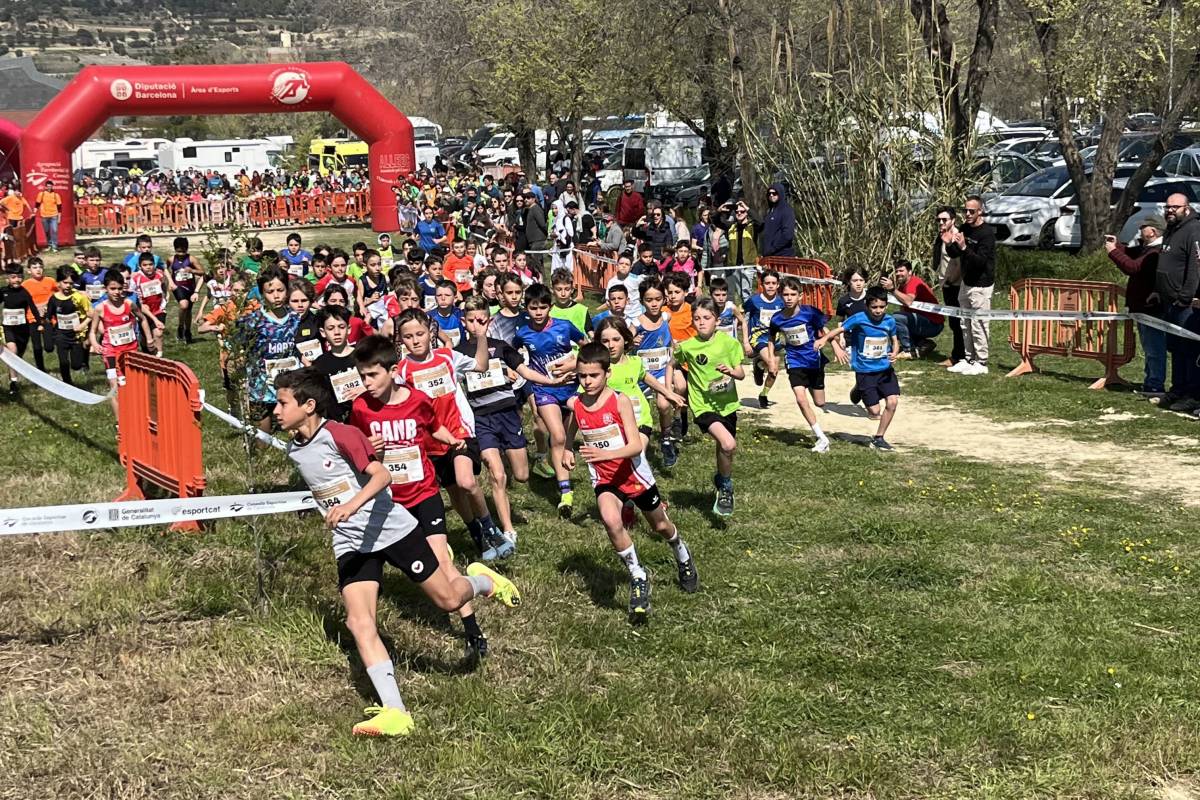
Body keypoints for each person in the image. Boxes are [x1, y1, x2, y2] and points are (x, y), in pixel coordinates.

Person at [274, 368, 519, 737]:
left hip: (389, 529)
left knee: (449, 599)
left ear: (309, 406)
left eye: (282, 403)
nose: (275, 410)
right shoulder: (295, 446)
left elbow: (381, 476)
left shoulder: (340, 435)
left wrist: (350, 505)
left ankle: (483, 582)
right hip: (351, 541)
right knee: (358, 622)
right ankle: (396, 712)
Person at [348, 335, 495, 658]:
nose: (366, 383)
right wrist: (370, 451)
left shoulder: (417, 399)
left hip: (424, 493)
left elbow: (432, 426)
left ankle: (472, 630)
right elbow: (357, 451)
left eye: (372, 375)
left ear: (392, 370)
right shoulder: (360, 407)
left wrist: (453, 440)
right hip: (388, 500)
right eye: (362, 376)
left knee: (442, 560)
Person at [564, 341, 698, 623]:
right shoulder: (577, 403)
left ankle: (680, 550)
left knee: (660, 525)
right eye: (582, 376)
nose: (587, 381)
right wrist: (566, 448)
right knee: (611, 521)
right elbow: (574, 423)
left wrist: (604, 452)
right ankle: (638, 575)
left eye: (593, 376)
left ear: (607, 374)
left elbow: (635, 446)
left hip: (633, 475)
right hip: (604, 478)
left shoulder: (619, 401)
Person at [392, 308, 509, 559]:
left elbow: (480, 365)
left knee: (467, 481)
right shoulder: (401, 372)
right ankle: (476, 534)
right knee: (454, 490)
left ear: (431, 332)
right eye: (408, 336)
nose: (415, 340)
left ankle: (491, 528)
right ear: (401, 339)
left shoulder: (447, 357)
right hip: (429, 441)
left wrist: (481, 337)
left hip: (459, 430)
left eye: (420, 334)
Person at [457, 296, 564, 547]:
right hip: (481, 418)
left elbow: (525, 372)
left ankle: (508, 454)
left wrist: (550, 382)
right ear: (464, 322)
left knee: (522, 475)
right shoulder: (457, 353)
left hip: (508, 414)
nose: (476, 325)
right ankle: (506, 529)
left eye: (481, 320)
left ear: (489, 320)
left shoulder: (502, 346)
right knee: (497, 475)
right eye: (471, 321)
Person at [513, 283, 586, 517]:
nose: (538, 312)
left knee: (566, 439)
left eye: (543, 307)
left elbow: (588, 349)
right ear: (527, 309)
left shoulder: (564, 327)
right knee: (558, 435)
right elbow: (512, 355)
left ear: (550, 307)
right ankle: (565, 493)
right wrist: (511, 369)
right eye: (533, 308)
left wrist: (575, 364)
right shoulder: (523, 333)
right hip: (544, 389)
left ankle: (565, 460)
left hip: (569, 388)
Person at [674, 298, 745, 516]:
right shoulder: (687, 346)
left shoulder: (729, 343)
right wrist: (674, 389)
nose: (701, 322)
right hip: (703, 405)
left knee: (724, 448)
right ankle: (725, 486)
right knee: (728, 443)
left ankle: (721, 477)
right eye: (697, 318)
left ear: (717, 319)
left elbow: (741, 373)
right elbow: (674, 364)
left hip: (727, 404)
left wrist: (732, 372)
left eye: (707, 318)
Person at [815, 287, 901, 450]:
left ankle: (879, 438)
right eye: (874, 307)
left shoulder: (889, 321)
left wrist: (895, 351)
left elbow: (894, 339)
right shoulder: (859, 319)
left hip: (884, 369)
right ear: (867, 306)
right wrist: (824, 339)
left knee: (892, 402)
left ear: (886, 306)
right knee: (875, 413)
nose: (878, 311)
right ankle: (859, 390)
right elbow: (839, 329)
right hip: (865, 370)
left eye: (882, 307)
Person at [765, 276, 831, 453]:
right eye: (785, 294)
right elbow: (771, 338)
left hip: (813, 360)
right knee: (801, 399)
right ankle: (821, 437)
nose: (788, 298)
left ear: (800, 296)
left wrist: (834, 345)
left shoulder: (810, 313)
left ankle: (811, 387)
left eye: (792, 294)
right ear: (780, 295)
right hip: (794, 360)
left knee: (820, 402)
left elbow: (824, 330)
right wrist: (771, 359)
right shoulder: (777, 319)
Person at [232, 267, 300, 434]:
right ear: (262, 293)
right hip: (260, 386)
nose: (276, 296)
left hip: (290, 382)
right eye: (270, 291)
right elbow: (237, 346)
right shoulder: (252, 321)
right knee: (262, 434)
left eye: (280, 290)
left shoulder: (296, 318)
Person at [1105, 216, 1165, 397]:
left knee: (1154, 348)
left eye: (1143, 227)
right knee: (1149, 347)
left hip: (1150, 307)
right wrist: (1118, 246)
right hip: (1141, 306)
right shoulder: (1147, 249)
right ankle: (1150, 382)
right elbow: (1132, 253)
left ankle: (1155, 385)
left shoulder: (1156, 252)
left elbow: (1132, 267)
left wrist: (1112, 252)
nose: (1140, 230)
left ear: (1153, 231)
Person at [1152, 193, 1200, 413]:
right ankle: (1177, 389)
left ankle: (1192, 394)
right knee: (1175, 350)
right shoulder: (1172, 229)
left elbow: (1194, 268)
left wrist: (1185, 297)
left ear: (1186, 208)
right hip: (1167, 301)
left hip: (1185, 305)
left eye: (1175, 207)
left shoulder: (1193, 230)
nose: (1170, 210)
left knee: (1189, 351)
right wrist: (1157, 291)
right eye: (1167, 207)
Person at [945, 195, 996, 376]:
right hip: (966, 283)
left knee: (979, 322)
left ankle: (982, 361)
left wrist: (965, 247)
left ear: (980, 211)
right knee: (964, 322)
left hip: (981, 284)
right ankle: (969, 358)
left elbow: (981, 262)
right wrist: (949, 242)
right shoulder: (965, 228)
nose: (967, 214)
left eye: (971, 211)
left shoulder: (987, 234)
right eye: (965, 210)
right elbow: (955, 253)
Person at [634, 277, 678, 466]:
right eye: (649, 300)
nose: (654, 304)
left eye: (658, 299)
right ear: (642, 301)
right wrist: (630, 342)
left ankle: (666, 438)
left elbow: (670, 341)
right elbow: (624, 340)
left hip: (661, 372)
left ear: (664, 299)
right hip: (641, 375)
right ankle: (635, 442)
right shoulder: (636, 323)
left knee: (663, 404)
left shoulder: (666, 317)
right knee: (638, 412)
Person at [88, 269, 140, 415]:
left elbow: (141, 318)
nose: (116, 292)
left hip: (130, 350)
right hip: (110, 353)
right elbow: (92, 331)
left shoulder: (129, 304)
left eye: (119, 288)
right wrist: (95, 344)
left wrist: (147, 337)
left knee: (131, 384)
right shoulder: (100, 308)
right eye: (112, 289)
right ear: (106, 289)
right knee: (114, 386)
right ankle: (119, 423)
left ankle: (134, 413)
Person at [311, 306, 366, 422]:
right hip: (337, 422)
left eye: (341, 327)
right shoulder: (320, 364)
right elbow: (320, 398)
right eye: (330, 328)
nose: (336, 332)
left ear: (349, 329)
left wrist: (365, 389)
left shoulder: (364, 356)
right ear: (323, 332)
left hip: (366, 415)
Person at [881, 258, 944, 359]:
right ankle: (923, 344)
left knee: (896, 317)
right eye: (896, 271)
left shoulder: (914, 282)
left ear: (910, 272)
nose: (898, 273)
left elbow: (908, 301)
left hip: (933, 323)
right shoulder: (902, 287)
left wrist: (892, 289)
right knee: (894, 319)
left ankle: (909, 350)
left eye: (901, 271)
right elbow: (903, 309)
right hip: (920, 320)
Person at [741, 269, 783, 408]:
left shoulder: (782, 302)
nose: (770, 286)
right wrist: (745, 341)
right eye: (767, 283)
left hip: (774, 338)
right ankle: (760, 363)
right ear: (762, 285)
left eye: (773, 283)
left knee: (774, 370)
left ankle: (763, 393)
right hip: (758, 338)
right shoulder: (754, 301)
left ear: (778, 285)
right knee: (772, 364)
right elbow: (742, 316)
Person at [932, 206, 966, 367]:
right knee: (953, 322)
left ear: (953, 220)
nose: (941, 222)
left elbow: (960, 262)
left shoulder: (956, 237)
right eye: (938, 220)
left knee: (958, 322)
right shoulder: (941, 236)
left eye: (944, 219)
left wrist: (952, 280)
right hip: (946, 284)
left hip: (956, 284)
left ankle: (959, 356)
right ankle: (959, 354)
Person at [46, 266, 91, 386]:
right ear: (58, 283)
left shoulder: (79, 297)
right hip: (60, 334)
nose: (68, 286)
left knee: (76, 365)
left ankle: (75, 369)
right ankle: (67, 383)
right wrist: (47, 333)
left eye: (71, 283)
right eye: (65, 282)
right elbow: (49, 317)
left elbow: (91, 315)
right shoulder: (54, 299)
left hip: (76, 336)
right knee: (63, 361)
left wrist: (83, 325)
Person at [2, 261, 42, 393]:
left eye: (19, 276)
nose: (17, 280)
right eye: (13, 277)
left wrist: (40, 323)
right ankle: (14, 383)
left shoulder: (24, 293)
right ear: (7, 278)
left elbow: (33, 308)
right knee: (12, 352)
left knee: (17, 357)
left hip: (23, 330)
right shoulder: (3, 291)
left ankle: (13, 376)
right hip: (8, 328)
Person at [715, 200, 761, 304]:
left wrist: (747, 208)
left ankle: (748, 316)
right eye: (737, 212)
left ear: (746, 213)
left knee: (746, 292)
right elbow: (716, 221)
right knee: (739, 292)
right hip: (734, 265)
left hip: (748, 265)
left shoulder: (752, 226)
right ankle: (745, 311)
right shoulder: (731, 226)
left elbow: (760, 222)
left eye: (742, 211)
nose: (739, 213)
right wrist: (719, 211)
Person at [168, 236, 202, 345]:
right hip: (178, 287)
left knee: (188, 311)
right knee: (184, 305)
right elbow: (164, 270)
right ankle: (180, 326)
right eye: (178, 252)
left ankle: (187, 331)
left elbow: (202, 272)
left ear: (187, 249)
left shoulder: (191, 259)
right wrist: (169, 282)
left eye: (183, 252)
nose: (181, 254)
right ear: (175, 250)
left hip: (190, 287)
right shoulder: (171, 259)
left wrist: (191, 270)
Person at [548, 267, 590, 336]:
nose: (563, 294)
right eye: (559, 289)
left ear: (572, 290)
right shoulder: (548, 312)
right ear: (552, 290)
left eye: (567, 289)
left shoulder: (582, 310)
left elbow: (592, 335)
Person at [761, 183, 796, 257]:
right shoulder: (770, 211)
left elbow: (787, 235)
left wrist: (772, 248)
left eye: (774, 193)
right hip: (770, 256)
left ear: (780, 194)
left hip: (783, 256)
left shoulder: (786, 210)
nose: (771, 195)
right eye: (769, 193)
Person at [34, 180, 63, 251]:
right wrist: (34, 211)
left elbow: (59, 207)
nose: (49, 187)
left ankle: (54, 246)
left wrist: (59, 217)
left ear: (52, 186)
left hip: (54, 215)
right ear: (45, 187)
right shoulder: (42, 194)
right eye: (48, 186)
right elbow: (37, 204)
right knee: (47, 231)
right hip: (44, 215)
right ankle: (49, 244)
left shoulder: (56, 195)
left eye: (50, 186)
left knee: (55, 230)